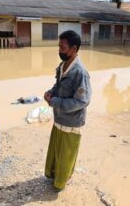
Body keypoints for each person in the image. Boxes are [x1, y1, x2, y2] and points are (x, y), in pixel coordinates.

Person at [44, 30, 92, 191]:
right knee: (56, 149)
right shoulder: (62, 66)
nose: (60, 50)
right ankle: (53, 175)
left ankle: (60, 182)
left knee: (66, 154)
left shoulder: (80, 72)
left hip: (72, 122)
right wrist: (51, 92)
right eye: (59, 47)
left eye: (63, 48)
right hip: (59, 119)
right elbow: (58, 86)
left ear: (74, 48)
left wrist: (56, 101)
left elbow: (82, 101)